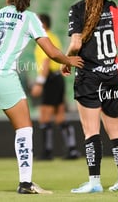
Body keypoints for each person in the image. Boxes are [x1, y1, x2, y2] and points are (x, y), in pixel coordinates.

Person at [0, 0, 84, 195]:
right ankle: (25, 183)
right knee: (24, 128)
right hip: (1, 74)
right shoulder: (30, 18)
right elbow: (50, 51)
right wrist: (68, 60)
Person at [62, 0, 118, 193]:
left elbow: (75, 44)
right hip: (113, 77)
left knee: (91, 130)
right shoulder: (114, 9)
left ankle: (94, 181)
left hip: (89, 78)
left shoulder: (77, 10)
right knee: (115, 129)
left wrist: (66, 60)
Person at [31, 13, 80, 160]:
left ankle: (47, 152)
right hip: (58, 79)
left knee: (44, 117)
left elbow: (46, 62)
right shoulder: (54, 37)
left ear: (43, 24)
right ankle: (72, 149)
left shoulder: (43, 39)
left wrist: (39, 82)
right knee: (60, 116)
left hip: (50, 79)